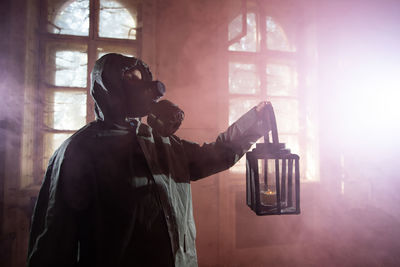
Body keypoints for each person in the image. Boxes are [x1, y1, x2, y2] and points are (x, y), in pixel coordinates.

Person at [27, 53, 271, 267]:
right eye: (131, 80)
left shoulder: (158, 141)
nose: (144, 89)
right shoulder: (77, 152)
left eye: (142, 80)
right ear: (107, 87)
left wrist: (254, 122)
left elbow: (215, 155)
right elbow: (52, 244)